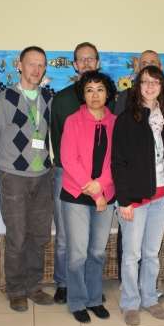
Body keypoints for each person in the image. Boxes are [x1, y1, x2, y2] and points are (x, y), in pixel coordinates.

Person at [112, 65, 164, 326]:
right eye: (145, 82)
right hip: (135, 199)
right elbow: (118, 162)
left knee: (151, 253)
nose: (150, 86)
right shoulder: (126, 119)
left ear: (162, 86)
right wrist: (124, 201)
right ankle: (130, 302)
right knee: (132, 255)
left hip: (160, 198)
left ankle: (149, 298)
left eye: (155, 82)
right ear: (137, 86)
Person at [0, 46, 54, 312]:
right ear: (19, 66)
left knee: (38, 234)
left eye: (41, 65)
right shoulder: (6, 98)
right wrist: (4, 165)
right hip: (13, 176)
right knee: (17, 235)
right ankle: (15, 289)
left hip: (43, 176)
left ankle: (33, 286)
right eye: (31, 64)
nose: (36, 69)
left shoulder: (47, 98)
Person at [60, 71, 117, 323]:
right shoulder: (73, 121)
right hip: (76, 193)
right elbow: (68, 159)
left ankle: (94, 299)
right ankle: (77, 301)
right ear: (82, 95)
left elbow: (117, 161)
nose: (95, 95)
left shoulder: (116, 122)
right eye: (89, 90)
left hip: (106, 193)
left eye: (100, 89)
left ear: (108, 93)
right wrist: (93, 190)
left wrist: (101, 186)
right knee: (78, 254)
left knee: (97, 252)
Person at [51, 42, 101, 304]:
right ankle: (63, 283)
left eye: (91, 59)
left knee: (93, 238)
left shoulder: (108, 97)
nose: (86, 63)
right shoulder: (61, 100)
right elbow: (57, 139)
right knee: (65, 235)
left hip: (100, 178)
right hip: (68, 175)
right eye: (81, 59)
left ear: (98, 63)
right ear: (74, 65)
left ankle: (90, 285)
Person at [114, 50, 162, 115]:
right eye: (144, 64)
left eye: (152, 63)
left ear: (161, 67)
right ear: (139, 69)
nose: (148, 67)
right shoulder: (126, 96)